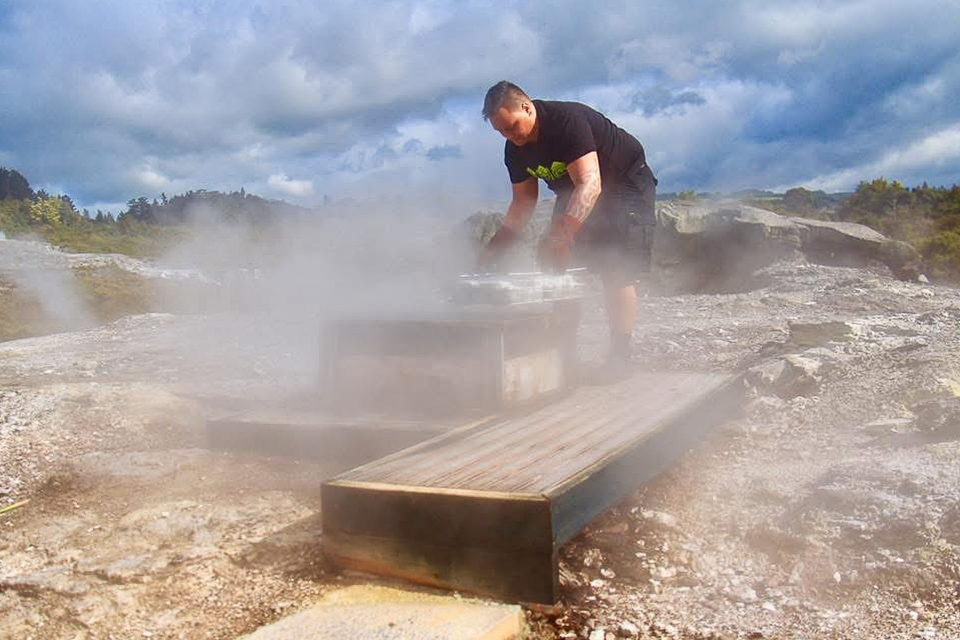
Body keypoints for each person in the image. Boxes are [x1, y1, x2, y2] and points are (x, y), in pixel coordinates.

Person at [479, 80, 657, 377]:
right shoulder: (515, 149)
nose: (509, 136)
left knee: (616, 270)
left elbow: (591, 183)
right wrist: (495, 248)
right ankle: (564, 353)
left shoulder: (565, 123)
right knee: (554, 267)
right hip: (574, 190)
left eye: (511, 127)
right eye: (501, 132)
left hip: (624, 183)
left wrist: (562, 235)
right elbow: (523, 202)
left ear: (526, 107)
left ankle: (620, 359)